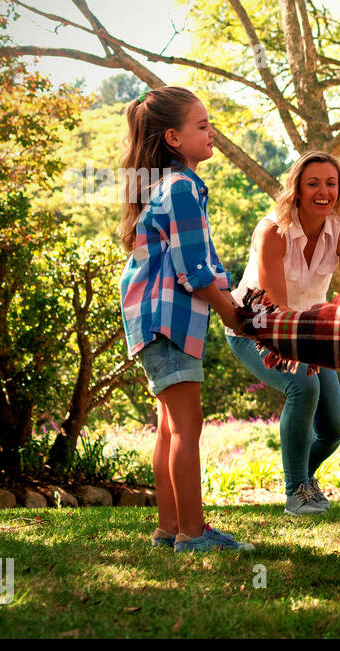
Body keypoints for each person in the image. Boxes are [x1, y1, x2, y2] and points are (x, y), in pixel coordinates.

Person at [118, 86, 254, 553]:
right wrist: (235, 318)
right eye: (202, 125)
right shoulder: (179, 189)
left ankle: (169, 527)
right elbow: (195, 272)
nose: (211, 132)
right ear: (174, 138)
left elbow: (200, 269)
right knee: (187, 425)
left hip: (154, 321)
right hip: (168, 321)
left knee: (171, 426)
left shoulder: (168, 188)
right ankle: (193, 534)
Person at [224, 151, 340, 515]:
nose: (324, 191)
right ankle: (295, 492)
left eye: (331, 183)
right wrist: (308, 346)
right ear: (297, 190)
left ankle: (305, 478)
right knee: (303, 386)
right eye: (313, 183)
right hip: (256, 328)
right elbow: (275, 306)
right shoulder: (272, 230)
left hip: (308, 332)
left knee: (333, 428)